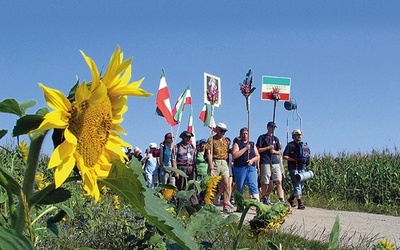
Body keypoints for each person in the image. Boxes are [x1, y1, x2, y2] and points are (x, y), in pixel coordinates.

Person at [256, 121, 285, 205]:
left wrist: (274, 151)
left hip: (275, 162)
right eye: (271, 127)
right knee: (265, 181)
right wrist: (268, 148)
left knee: (278, 180)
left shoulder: (276, 139)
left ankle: (281, 199)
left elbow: (279, 151)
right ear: (268, 127)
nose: (272, 129)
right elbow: (258, 149)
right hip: (265, 161)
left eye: (274, 127)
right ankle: (264, 196)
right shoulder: (262, 137)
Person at [206, 122, 232, 213]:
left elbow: (229, 152)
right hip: (215, 161)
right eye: (221, 130)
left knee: (227, 184)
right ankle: (210, 204)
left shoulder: (226, 141)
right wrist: (210, 164)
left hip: (224, 162)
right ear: (217, 130)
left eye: (224, 131)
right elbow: (208, 152)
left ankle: (225, 203)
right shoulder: (211, 140)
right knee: (212, 184)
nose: (223, 132)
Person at [283, 129, 310, 210]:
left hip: (302, 167)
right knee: (297, 184)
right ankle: (300, 203)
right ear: (293, 136)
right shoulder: (290, 145)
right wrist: (294, 159)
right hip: (293, 168)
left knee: (301, 185)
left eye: (300, 135)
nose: (299, 136)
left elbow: (307, 155)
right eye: (297, 135)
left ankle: (291, 198)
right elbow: (285, 156)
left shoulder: (303, 145)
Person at [231, 127, 260, 201]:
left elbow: (257, 156)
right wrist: (245, 149)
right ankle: (239, 204)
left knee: (253, 185)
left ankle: (257, 203)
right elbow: (234, 155)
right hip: (240, 167)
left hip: (251, 167)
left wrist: (252, 160)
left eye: (246, 133)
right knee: (240, 186)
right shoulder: (237, 143)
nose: (245, 135)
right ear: (240, 134)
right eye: (243, 133)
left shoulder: (252, 144)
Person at [171, 131, 199, 205]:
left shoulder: (192, 147)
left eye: (189, 137)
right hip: (181, 167)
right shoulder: (177, 147)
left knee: (192, 187)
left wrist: (195, 170)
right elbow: (173, 159)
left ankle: (194, 205)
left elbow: (195, 158)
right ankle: (180, 204)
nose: (188, 138)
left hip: (191, 167)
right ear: (182, 137)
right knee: (181, 187)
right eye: (186, 136)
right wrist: (176, 171)